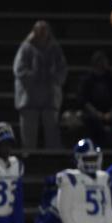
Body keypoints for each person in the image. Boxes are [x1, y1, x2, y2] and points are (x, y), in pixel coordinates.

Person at [13, 20, 66, 148]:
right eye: (39, 31)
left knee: (52, 132)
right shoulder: (25, 48)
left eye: (44, 31)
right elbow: (19, 70)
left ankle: (53, 158)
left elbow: (62, 70)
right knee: (28, 134)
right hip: (29, 97)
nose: (42, 34)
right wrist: (35, 75)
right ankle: (28, 157)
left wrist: (52, 78)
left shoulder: (55, 49)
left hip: (49, 97)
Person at [78, 50, 112, 148]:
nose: (101, 65)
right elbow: (84, 100)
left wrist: (110, 114)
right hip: (93, 113)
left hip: (111, 113)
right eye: (99, 62)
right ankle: (96, 146)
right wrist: (97, 113)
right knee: (91, 122)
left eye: (103, 62)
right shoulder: (87, 80)